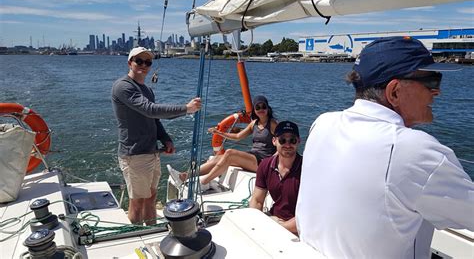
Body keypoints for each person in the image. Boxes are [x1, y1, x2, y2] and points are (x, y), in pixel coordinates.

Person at [296, 37, 474, 258]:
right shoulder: (414, 150)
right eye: (431, 81)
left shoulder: (322, 123)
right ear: (395, 92)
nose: (437, 92)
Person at [111, 46, 201, 225]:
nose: (144, 65)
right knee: (137, 202)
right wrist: (186, 109)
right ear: (130, 63)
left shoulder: (146, 90)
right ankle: (136, 238)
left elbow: (153, 120)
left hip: (151, 151)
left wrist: (165, 138)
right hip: (135, 154)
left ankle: (151, 231)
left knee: (151, 197)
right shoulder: (123, 87)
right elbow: (150, 110)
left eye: (148, 62)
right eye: (139, 61)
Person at [167, 95, 278, 190]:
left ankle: (203, 182)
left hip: (263, 161)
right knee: (217, 158)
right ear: (254, 110)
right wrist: (219, 133)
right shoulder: (254, 123)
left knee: (229, 153)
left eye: (263, 106)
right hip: (254, 156)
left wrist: (271, 164)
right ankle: (184, 176)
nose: (261, 109)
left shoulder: (272, 124)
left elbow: (281, 146)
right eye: (257, 107)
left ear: (268, 108)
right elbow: (238, 136)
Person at [250, 121, 302, 234]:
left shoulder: (307, 170)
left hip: (298, 228)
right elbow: (257, 200)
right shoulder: (265, 165)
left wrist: (279, 226)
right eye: (282, 140)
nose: (287, 145)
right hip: (273, 219)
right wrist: (261, 220)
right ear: (274, 141)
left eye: (292, 140)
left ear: (298, 141)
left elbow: (309, 215)